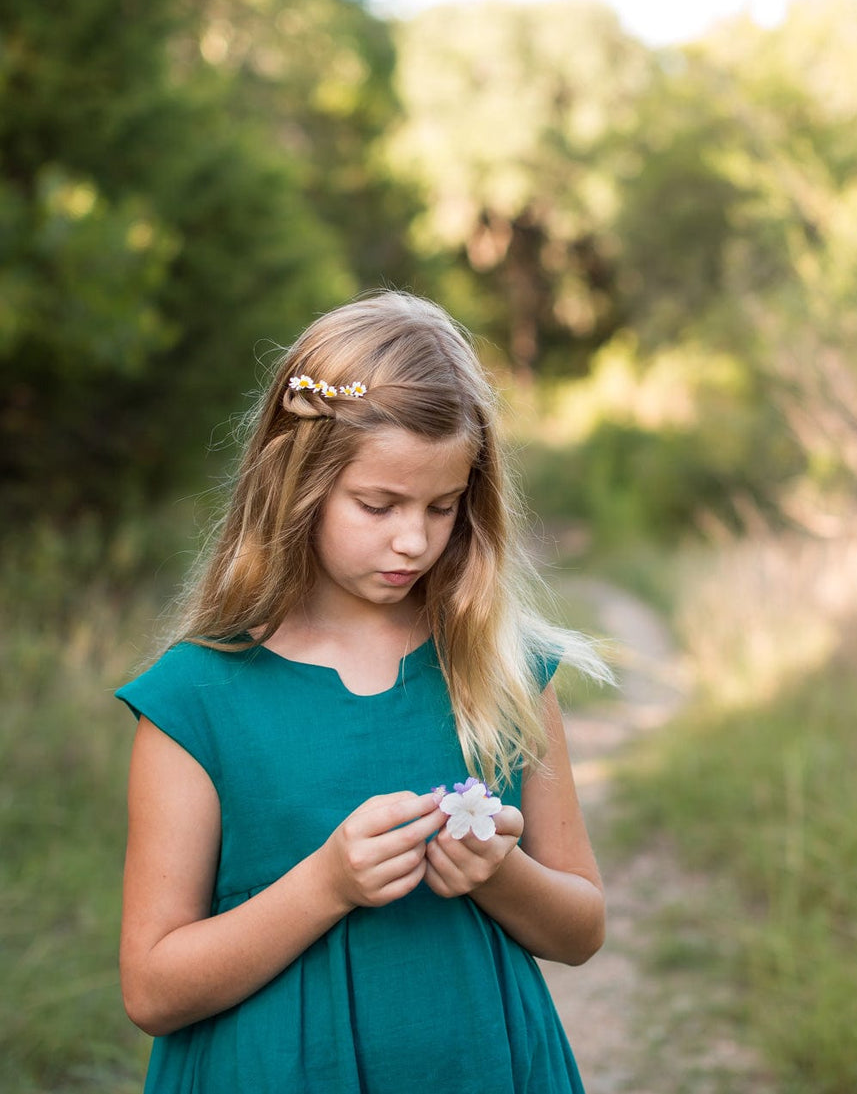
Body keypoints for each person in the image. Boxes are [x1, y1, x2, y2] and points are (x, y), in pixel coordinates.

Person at [117, 290, 612, 1094]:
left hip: (481, 1067)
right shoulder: (197, 700)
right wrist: (325, 886)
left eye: (442, 506)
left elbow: (582, 928)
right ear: (297, 485)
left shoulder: (502, 670)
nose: (413, 538)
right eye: (378, 504)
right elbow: (150, 986)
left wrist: (500, 873)